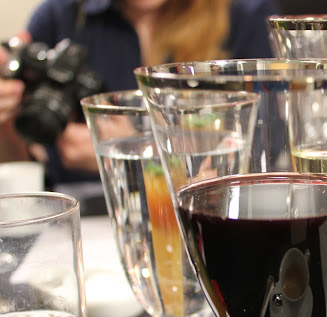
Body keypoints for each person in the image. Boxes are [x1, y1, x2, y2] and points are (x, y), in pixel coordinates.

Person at [0, 0, 279, 184]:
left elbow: (263, 151)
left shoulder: (245, 14)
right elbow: (21, 166)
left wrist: (136, 150)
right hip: (81, 222)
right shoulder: (60, 16)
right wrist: (6, 120)